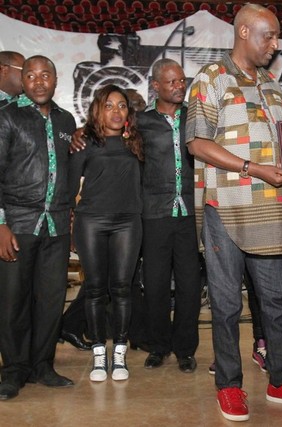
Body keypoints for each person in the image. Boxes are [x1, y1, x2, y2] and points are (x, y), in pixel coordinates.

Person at [185, 3, 282, 422]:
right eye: (269, 36)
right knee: (227, 304)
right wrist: (253, 168)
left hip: (270, 208)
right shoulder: (211, 78)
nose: (275, 45)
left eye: (277, 37)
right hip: (224, 208)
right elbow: (197, 143)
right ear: (244, 32)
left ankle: (281, 380)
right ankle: (229, 385)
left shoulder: (271, 84)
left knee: (276, 301)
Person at [0, 55, 76, 401]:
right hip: (17, 222)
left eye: (45, 75)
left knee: (50, 299)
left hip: (56, 225)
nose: (39, 81)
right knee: (13, 300)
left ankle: (43, 365)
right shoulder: (7, 116)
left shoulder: (66, 120)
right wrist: (1, 224)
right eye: (30, 75)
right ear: (23, 82)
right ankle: (14, 370)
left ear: (55, 80)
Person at [68, 84, 144, 382]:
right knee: (95, 289)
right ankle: (99, 353)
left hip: (128, 222)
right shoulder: (84, 142)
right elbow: (69, 188)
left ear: (128, 112)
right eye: (109, 105)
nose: (116, 111)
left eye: (122, 105)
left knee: (122, 288)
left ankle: (119, 353)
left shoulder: (137, 141)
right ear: (97, 109)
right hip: (91, 222)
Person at [136, 59, 201, 373]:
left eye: (182, 80)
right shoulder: (140, 121)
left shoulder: (194, 117)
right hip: (154, 213)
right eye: (172, 82)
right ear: (156, 86)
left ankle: (185, 349)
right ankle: (158, 346)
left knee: (190, 284)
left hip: (189, 212)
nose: (179, 86)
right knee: (156, 284)